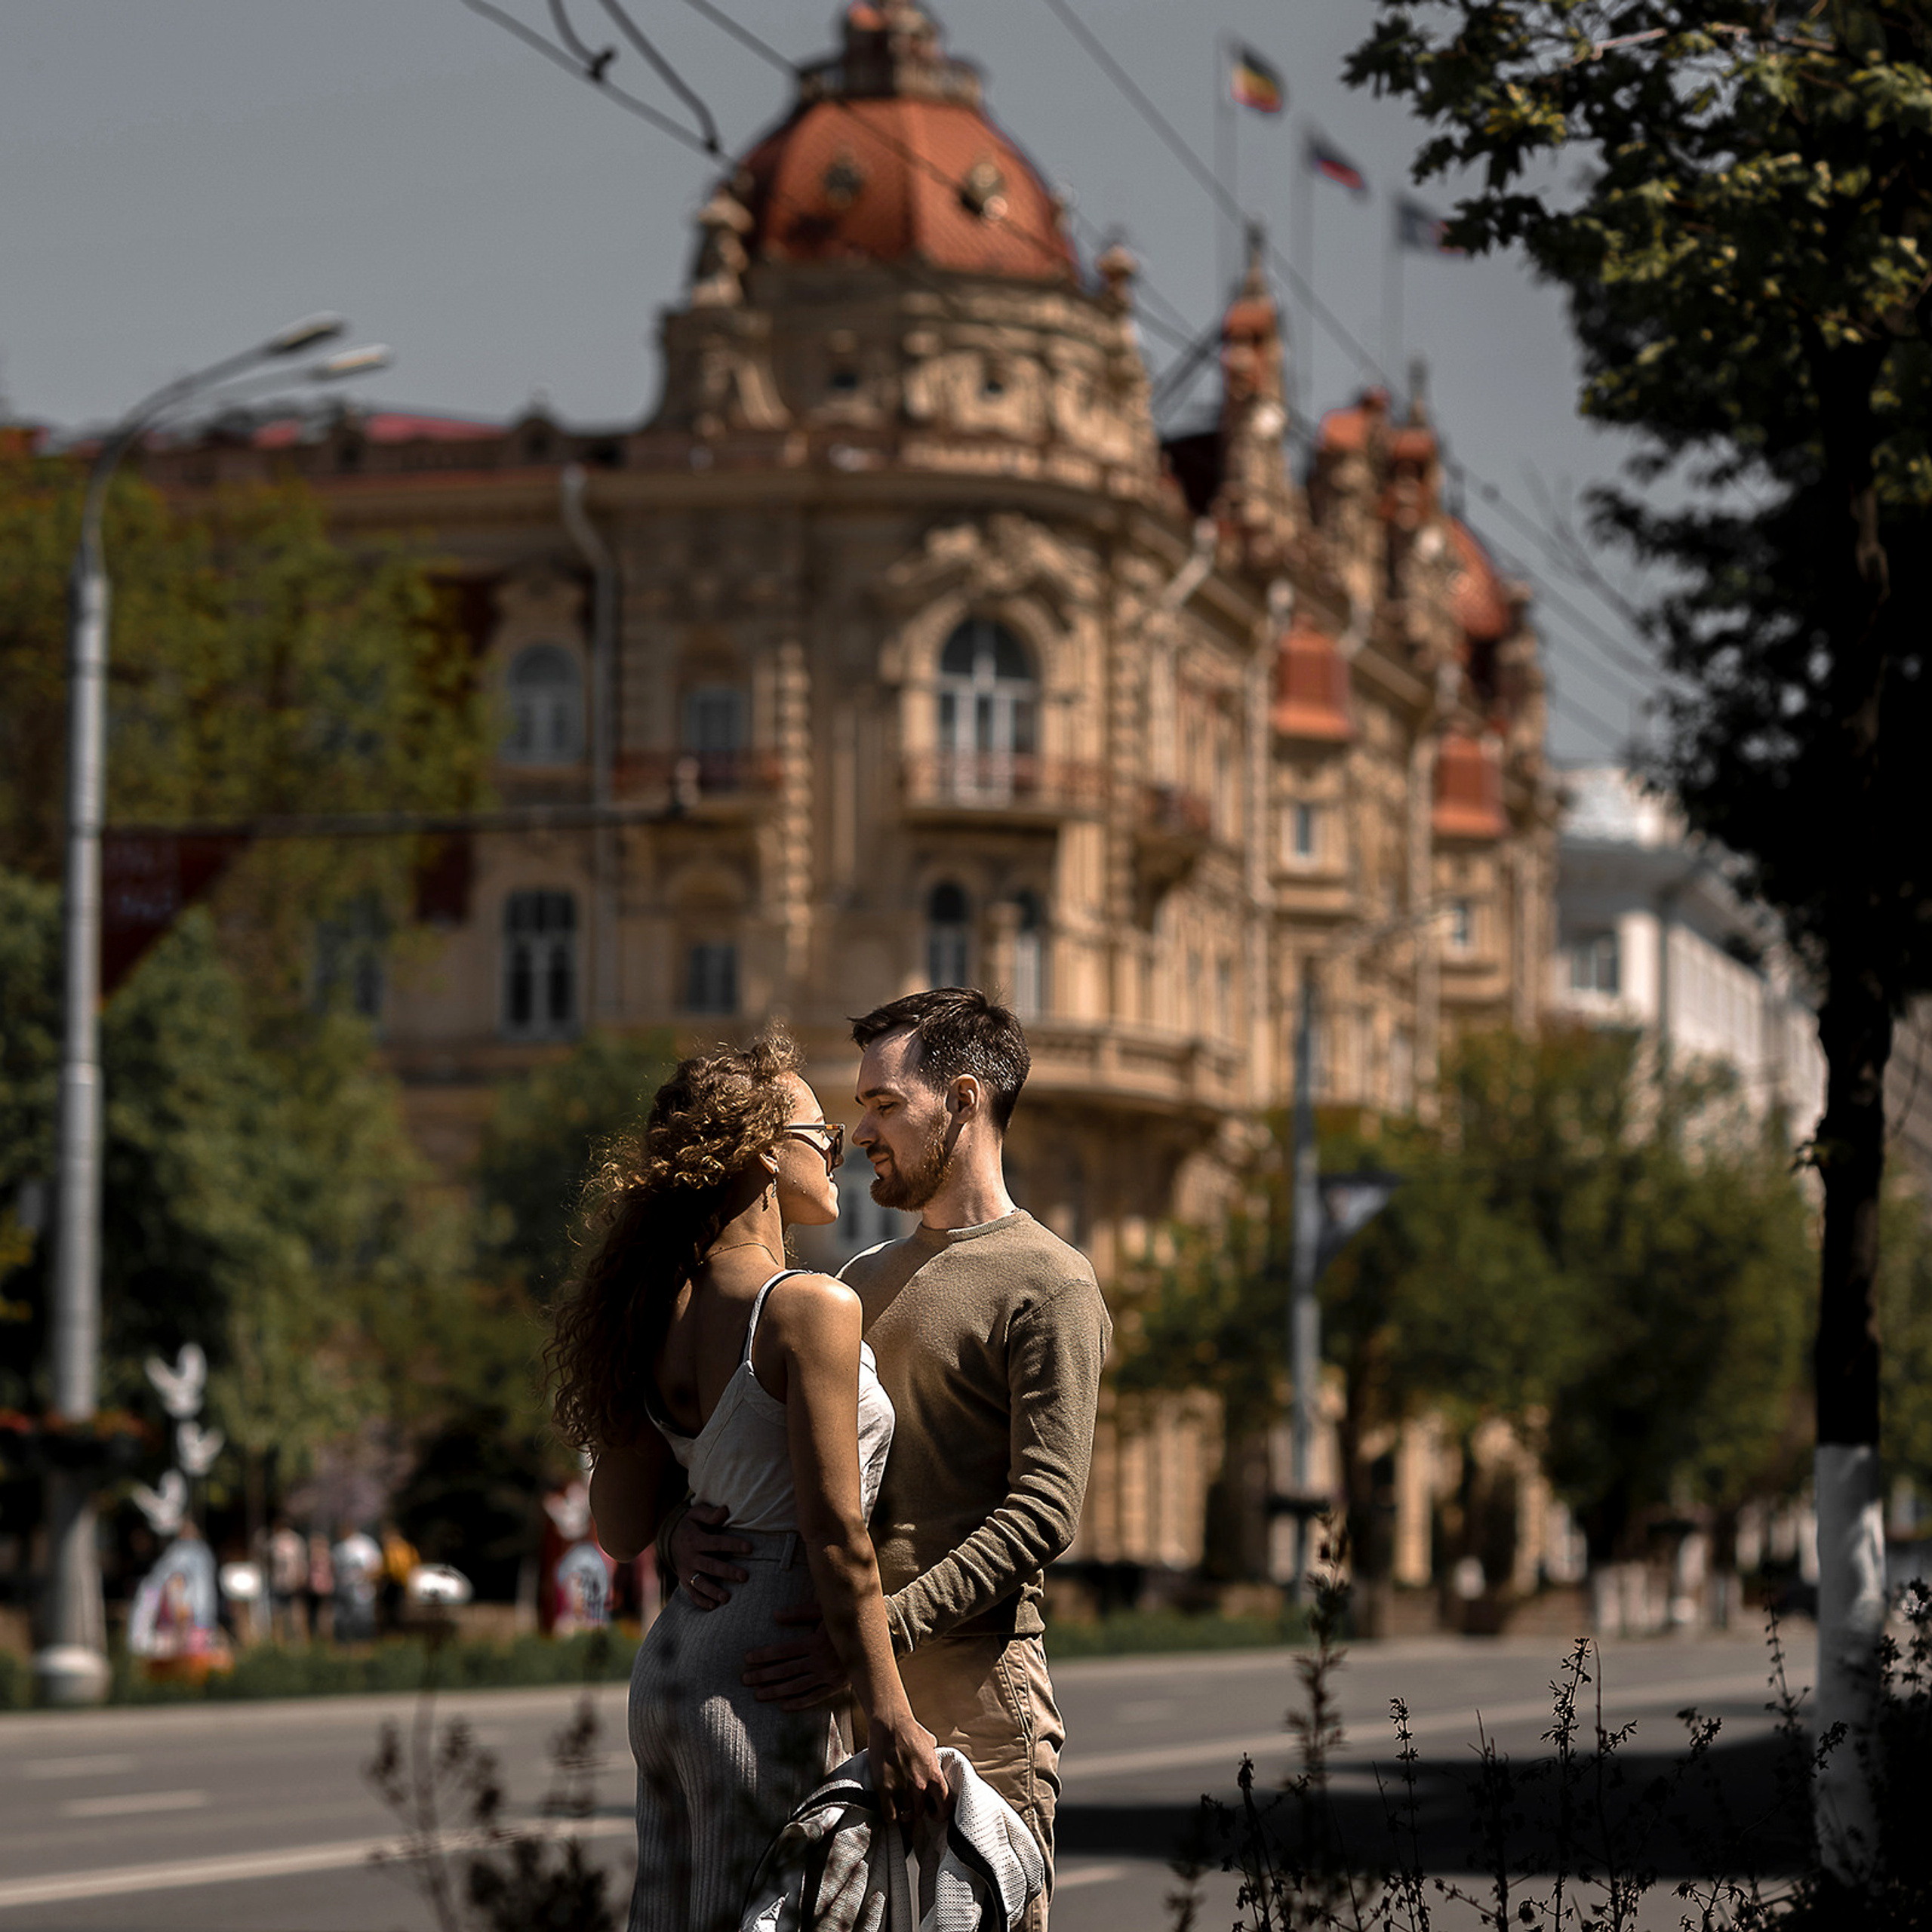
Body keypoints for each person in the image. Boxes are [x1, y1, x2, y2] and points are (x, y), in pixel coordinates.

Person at [668, 989, 1111, 1932]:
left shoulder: (1051, 1280)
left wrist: (872, 1635)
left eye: (882, 1104)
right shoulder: (855, 1283)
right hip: (839, 1692)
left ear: (962, 1099)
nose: (859, 1131)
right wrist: (680, 1526)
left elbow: (1043, 1511)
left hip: (977, 1699)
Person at [550, 1030, 945, 1932]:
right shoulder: (809, 1306)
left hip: (674, 1663)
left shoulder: (653, 1308)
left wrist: (679, 1526)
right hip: (764, 1669)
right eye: (822, 1136)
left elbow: (620, 1525)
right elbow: (835, 1534)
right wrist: (889, 1714)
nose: (839, 1152)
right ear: (767, 1151)